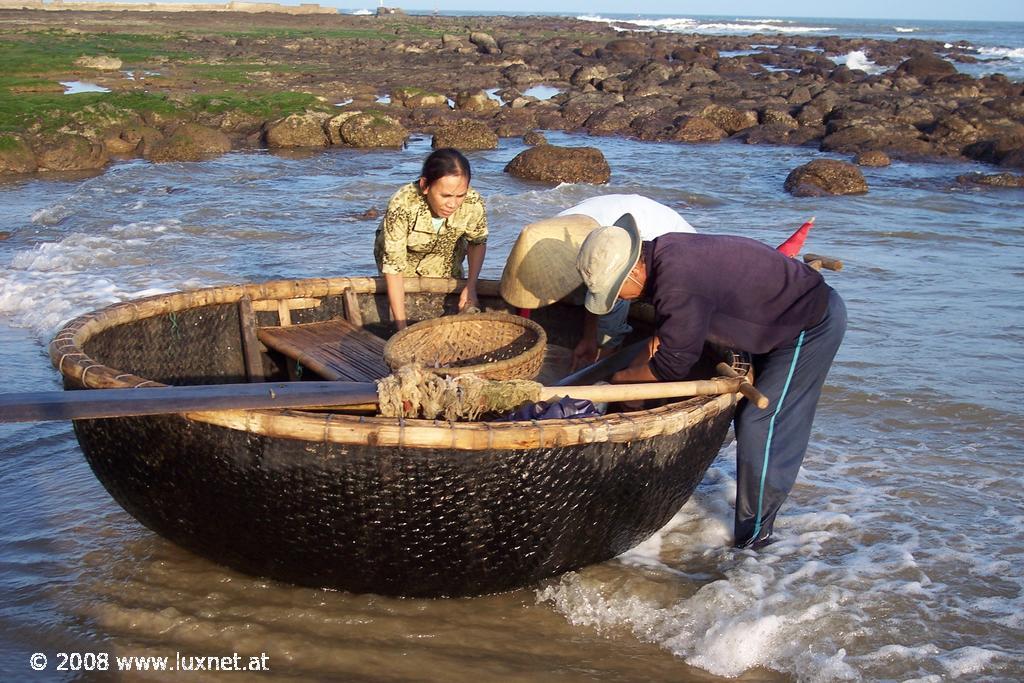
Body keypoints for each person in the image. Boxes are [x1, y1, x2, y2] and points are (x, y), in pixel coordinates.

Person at [574, 218, 846, 549]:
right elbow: (666, 340)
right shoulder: (665, 251)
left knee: (762, 422)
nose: (619, 299)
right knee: (749, 417)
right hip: (769, 318)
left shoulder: (677, 282)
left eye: (616, 293)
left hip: (808, 324)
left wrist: (619, 382)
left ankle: (756, 538)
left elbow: (674, 364)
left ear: (632, 272)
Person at [498, 194, 696, 368]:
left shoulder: (611, 251)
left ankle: (613, 369)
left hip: (671, 253)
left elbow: (608, 298)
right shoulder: (546, 235)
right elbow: (592, 290)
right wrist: (589, 338)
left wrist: (596, 367)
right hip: (618, 236)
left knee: (615, 325)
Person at [374, 148, 487, 330]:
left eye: (460, 195)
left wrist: (471, 286)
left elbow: (477, 242)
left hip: (445, 257)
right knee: (404, 310)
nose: (453, 204)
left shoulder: (473, 202)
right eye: (445, 196)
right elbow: (394, 267)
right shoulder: (402, 205)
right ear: (425, 186)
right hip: (405, 262)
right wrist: (402, 328)